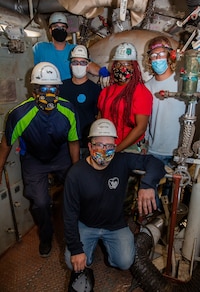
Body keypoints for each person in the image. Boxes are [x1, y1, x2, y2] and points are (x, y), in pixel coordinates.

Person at [63, 118, 165, 291]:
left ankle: (107, 249)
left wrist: (147, 185)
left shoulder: (121, 160)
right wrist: (75, 249)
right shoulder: (76, 174)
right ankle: (89, 247)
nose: (105, 150)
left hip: (115, 225)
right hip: (86, 225)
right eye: (99, 145)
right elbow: (69, 215)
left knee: (125, 261)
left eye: (110, 146)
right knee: (73, 262)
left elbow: (155, 163)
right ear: (90, 146)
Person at [0, 62, 81, 258]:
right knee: (40, 203)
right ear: (34, 91)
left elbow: (73, 143)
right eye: (43, 88)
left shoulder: (68, 110)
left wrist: (77, 172)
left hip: (60, 156)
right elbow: (5, 146)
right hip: (34, 160)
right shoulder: (19, 114)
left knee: (76, 191)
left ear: (58, 89)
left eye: (52, 88)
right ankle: (46, 236)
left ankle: (77, 230)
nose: (48, 93)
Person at [97, 42, 153, 153]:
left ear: (134, 67)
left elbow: (140, 128)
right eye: (118, 64)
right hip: (107, 145)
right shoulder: (106, 91)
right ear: (113, 66)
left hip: (130, 149)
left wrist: (116, 150)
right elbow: (100, 118)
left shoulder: (141, 92)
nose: (122, 68)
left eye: (127, 64)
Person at [143, 36, 186, 166]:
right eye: (154, 55)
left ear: (170, 56)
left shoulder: (183, 82)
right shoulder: (147, 87)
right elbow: (144, 119)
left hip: (180, 152)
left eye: (162, 54)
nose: (157, 58)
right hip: (154, 150)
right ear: (149, 59)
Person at [33, 12, 109, 82]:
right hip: (48, 90)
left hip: (69, 91)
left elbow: (88, 65)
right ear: (50, 30)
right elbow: (28, 68)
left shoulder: (75, 49)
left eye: (63, 27)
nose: (60, 29)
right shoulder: (40, 48)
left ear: (66, 30)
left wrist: (102, 71)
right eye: (56, 26)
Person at [59, 45, 101, 158]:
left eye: (82, 63)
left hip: (86, 143)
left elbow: (98, 117)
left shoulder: (95, 89)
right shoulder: (61, 87)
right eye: (75, 62)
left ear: (88, 65)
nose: (78, 66)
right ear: (70, 65)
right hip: (65, 143)